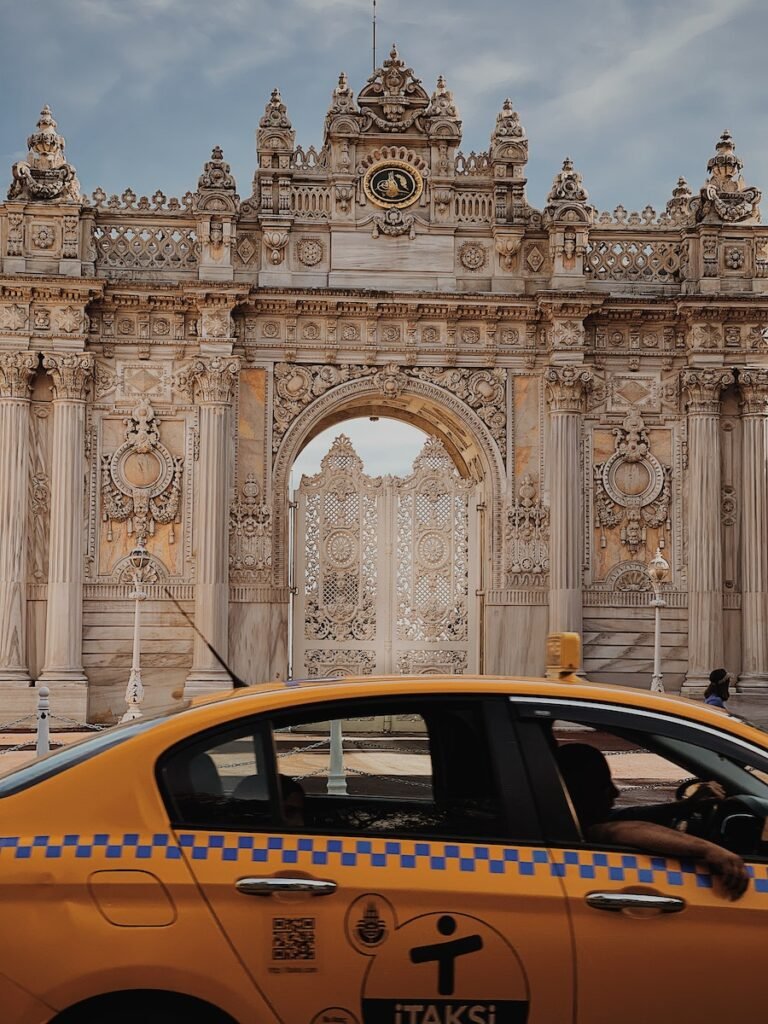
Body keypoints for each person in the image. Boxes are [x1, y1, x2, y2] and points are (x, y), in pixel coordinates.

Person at [556, 742, 749, 900]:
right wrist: (709, 849)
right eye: (603, 786)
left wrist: (683, 807)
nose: (616, 792)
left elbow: (627, 816)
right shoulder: (584, 830)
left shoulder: (563, 819)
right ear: (580, 793)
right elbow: (618, 829)